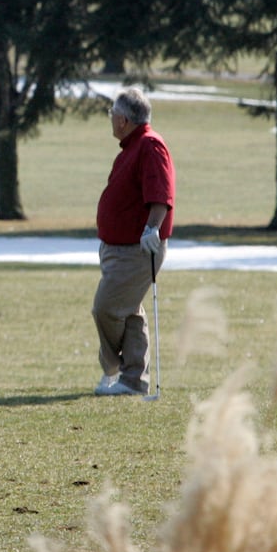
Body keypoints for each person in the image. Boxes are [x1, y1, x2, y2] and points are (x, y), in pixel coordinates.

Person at [91, 87, 175, 396]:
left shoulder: (150, 146)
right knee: (128, 312)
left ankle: (112, 368)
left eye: (112, 113)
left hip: (137, 249)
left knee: (106, 309)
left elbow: (161, 196)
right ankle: (133, 381)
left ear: (124, 120)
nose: (110, 118)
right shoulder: (132, 146)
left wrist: (152, 229)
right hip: (118, 248)